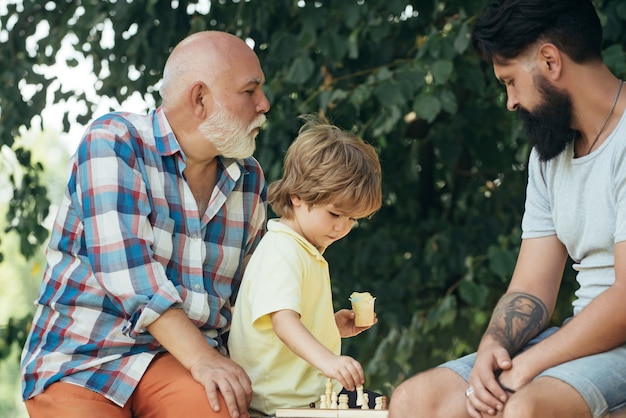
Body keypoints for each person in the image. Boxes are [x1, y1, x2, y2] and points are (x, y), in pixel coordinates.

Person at [388, 0, 626, 417]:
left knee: (523, 409)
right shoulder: (550, 156)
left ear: (550, 61)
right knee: (416, 400)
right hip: (584, 340)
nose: (510, 101)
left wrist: (531, 364)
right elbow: (531, 288)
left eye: (511, 81)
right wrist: (493, 347)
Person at [20, 30, 270, 418]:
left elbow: (250, 297)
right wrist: (204, 360)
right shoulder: (114, 142)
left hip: (177, 362)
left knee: (219, 410)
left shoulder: (250, 180)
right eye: (249, 91)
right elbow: (132, 279)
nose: (264, 104)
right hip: (83, 358)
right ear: (200, 99)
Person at [228, 114, 383, 416]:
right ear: (297, 195)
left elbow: (291, 323)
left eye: (353, 219)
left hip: (307, 397)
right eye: (335, 214)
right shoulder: (282, 251)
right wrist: (330, 361)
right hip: (282, 404)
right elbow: (283, 322)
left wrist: (331, 327)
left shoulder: (303, 249)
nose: (342, 228)